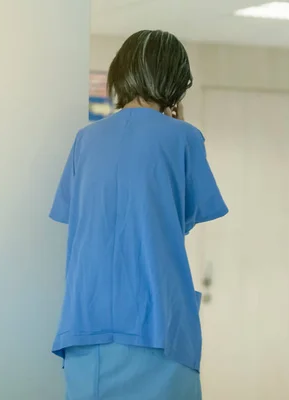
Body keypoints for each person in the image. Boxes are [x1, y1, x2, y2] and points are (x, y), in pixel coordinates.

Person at [49, 30, 228, 399]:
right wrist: (176, 123)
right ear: (176, 81)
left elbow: (80, 215)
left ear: (121, 73)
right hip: (160, 329)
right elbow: (181, 217)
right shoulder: (183, 138)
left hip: (87, 328)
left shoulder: (86, 139)